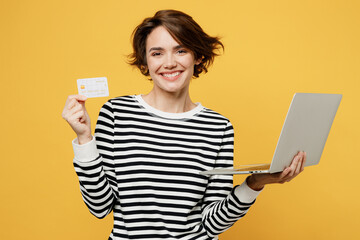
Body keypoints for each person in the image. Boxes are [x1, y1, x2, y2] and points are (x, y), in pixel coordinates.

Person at [62, 9, 306, 240]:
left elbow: (211, 223)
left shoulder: (218, 127)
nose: (169, 63)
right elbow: (99, 206)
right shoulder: (116, 113)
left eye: (180, 51)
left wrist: (255, 183)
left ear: (198, 56)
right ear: (145, 62)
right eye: (157, 53)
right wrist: (85, 139)